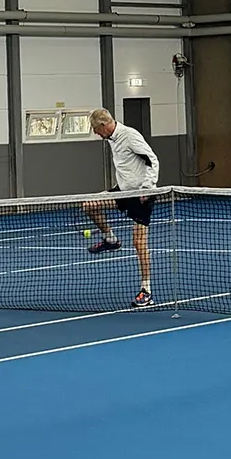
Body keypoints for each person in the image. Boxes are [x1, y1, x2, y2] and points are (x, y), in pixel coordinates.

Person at [82, 107, 158, 308]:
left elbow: (152, 160)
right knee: (89, 205)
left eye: (96, 130)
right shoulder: (111, 139)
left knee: (139, 243)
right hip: (123, 192)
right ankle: (111, 239)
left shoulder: (130, 135)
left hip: (141, 195)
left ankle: (146, 291)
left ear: (104, 125)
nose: (96, 134)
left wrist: (147, 188)